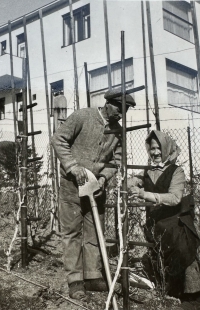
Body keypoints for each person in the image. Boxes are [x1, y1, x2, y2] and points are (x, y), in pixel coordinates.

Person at [51, 89, 136, 300]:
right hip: (72, 185)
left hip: (96, 188)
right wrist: (73, 166)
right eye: (119, 108)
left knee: (94, 232)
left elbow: (116, 161)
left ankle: (92, 276)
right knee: (71, 233)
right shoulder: (83, 116)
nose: (121, 113)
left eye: (125, 110)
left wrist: (104, 178)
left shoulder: (118, 131)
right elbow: (58, 139)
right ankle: (75, 280)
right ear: (107, 103)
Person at [130, 130, 200, 310]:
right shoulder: (147, 172)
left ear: (167, 149)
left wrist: (144, 194)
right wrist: (130, 183)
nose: (154, 153)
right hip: (156, 221)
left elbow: (174, 198)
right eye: (152, 148)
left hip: (175, 219)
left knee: (182, 248)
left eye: (158, 149)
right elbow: (132, 182)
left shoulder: (176, 171)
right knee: (158, 247)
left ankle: (193, 299)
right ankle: (171, 289)